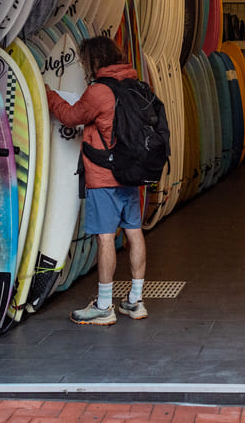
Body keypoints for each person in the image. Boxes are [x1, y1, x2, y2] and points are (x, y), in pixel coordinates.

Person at [46, 36, 149, 326]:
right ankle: (135, 301)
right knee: (133, 231)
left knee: (105, 238)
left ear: (93, 60)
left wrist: (48, 94)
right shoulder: (136, 85)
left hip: (104, 177)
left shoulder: (99, 91)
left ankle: (104, 306)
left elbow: (69, 117)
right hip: (131, 174)